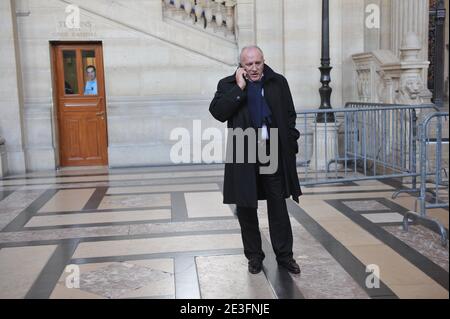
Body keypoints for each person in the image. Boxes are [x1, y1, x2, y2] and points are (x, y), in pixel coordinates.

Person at [209, 46, 302, 274]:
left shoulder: (278, 82)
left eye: (257, 63)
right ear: (241, 65)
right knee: (246, 207)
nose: (254, 68)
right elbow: (218, 112)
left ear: (263, 61)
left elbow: (290, 115)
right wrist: (240, 88)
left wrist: (291, 143)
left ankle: (285, 256)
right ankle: (254, 257)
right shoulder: (228, 84)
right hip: (243, 150)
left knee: (278, 205)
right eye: (248, 64)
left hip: (272, 149)